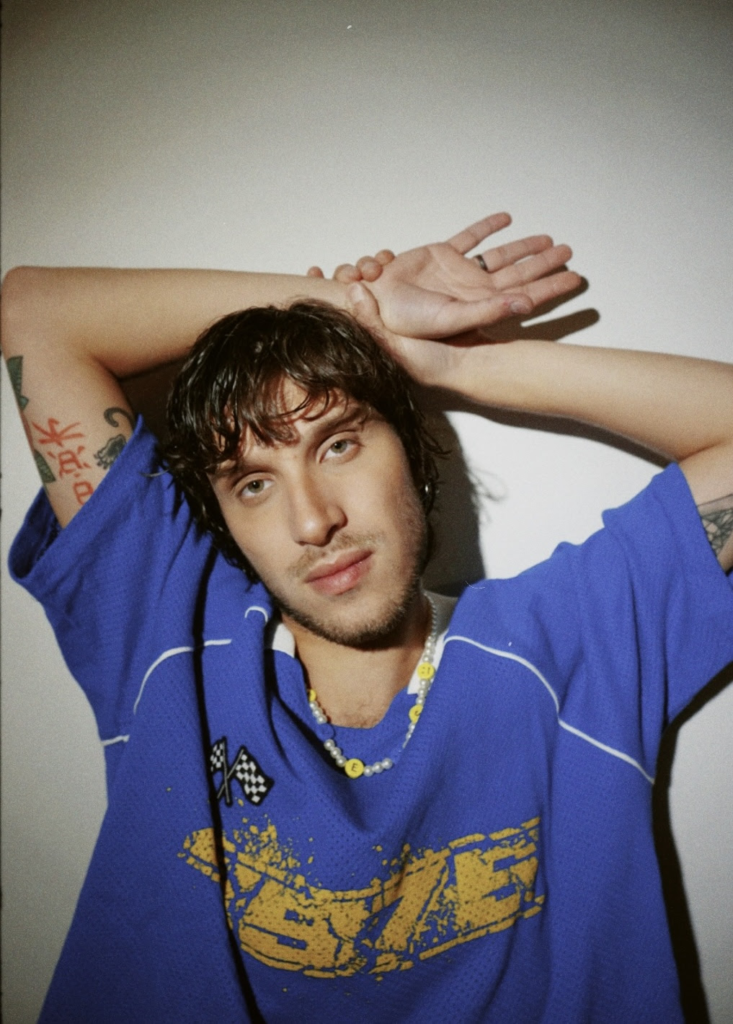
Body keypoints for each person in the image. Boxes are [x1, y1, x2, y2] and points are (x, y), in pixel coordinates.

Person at [3, 212, 733, 1023]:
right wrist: (348, 307)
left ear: (411, 452)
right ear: (225, 520)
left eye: (338, 444)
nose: (313, 520)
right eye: (253, 484)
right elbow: (36, 311)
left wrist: (450, 360)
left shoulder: (561, 646)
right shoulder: (168, 633)